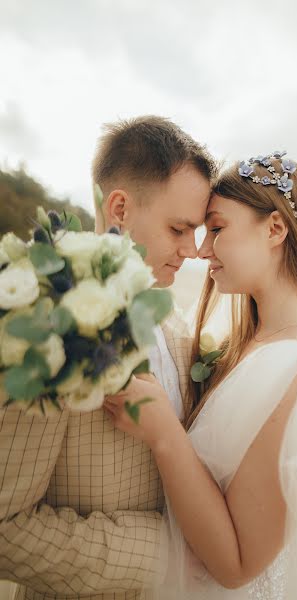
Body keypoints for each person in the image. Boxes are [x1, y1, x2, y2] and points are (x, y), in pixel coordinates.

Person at [104, 151, 297, 599]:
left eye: (218, 229)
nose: (202, 251)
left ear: (275, 229)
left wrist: (165, 432)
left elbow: (238, 564)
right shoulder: (250, 344)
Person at [0, 116, 216, 600]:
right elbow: (5, 525)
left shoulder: (176, 326)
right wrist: (163, 553)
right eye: (179, 228)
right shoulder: (45, 324)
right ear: (119, 207)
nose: (192, 250)